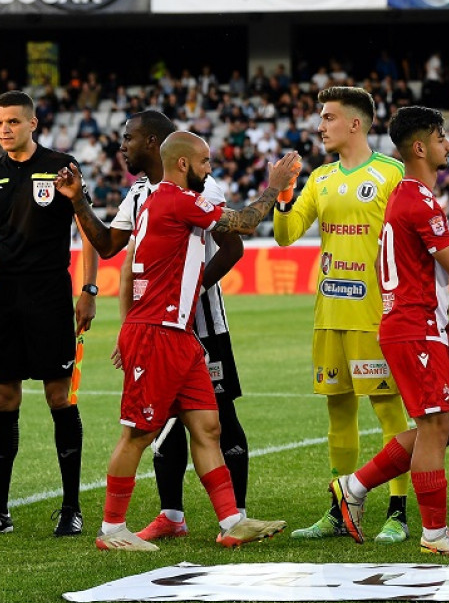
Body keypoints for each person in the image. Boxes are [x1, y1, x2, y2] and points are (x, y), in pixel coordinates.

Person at [56, 131, 293, 551]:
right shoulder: (177, 199)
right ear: (183, 164)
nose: (209, 169)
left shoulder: (156, 201)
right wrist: (274, 185)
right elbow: (244, 223)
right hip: (156, 334)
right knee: (138, 433)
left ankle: (231, 520)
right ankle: (112, 530)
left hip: (178, 335)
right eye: (204, 162)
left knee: (208, 426)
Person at [331, 105, 449, 556]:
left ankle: (354, 487)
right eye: (441, 138)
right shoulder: (418, 198)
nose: (448, 145)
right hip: (417, 327)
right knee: (434, 426)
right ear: (419, 147)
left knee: (441, 426)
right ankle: (434, 533)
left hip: (411, 324)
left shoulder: (403, 197)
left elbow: (385, 264)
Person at [273, 87, 411, 543]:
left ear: (355, 124)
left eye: (329, 117)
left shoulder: (391, 174)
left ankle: (398, 512)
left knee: (389, 410)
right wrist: (282, 195)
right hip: (330, 311)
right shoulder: (320, 178)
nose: (320, 125)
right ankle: (339, 509)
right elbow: (286, 235)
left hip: (375, 316)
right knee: (339, 413)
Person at [0, 90, 99, 537]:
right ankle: (1, 509)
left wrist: (89, 290)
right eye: (1, 122)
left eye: (14, 122)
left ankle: (72, 508)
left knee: (60, 398)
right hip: (2, 300)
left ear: (33, 124)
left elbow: (87, 228)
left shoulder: (60, 166)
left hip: (49, 298)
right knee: (5, 399)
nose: (5, 129)